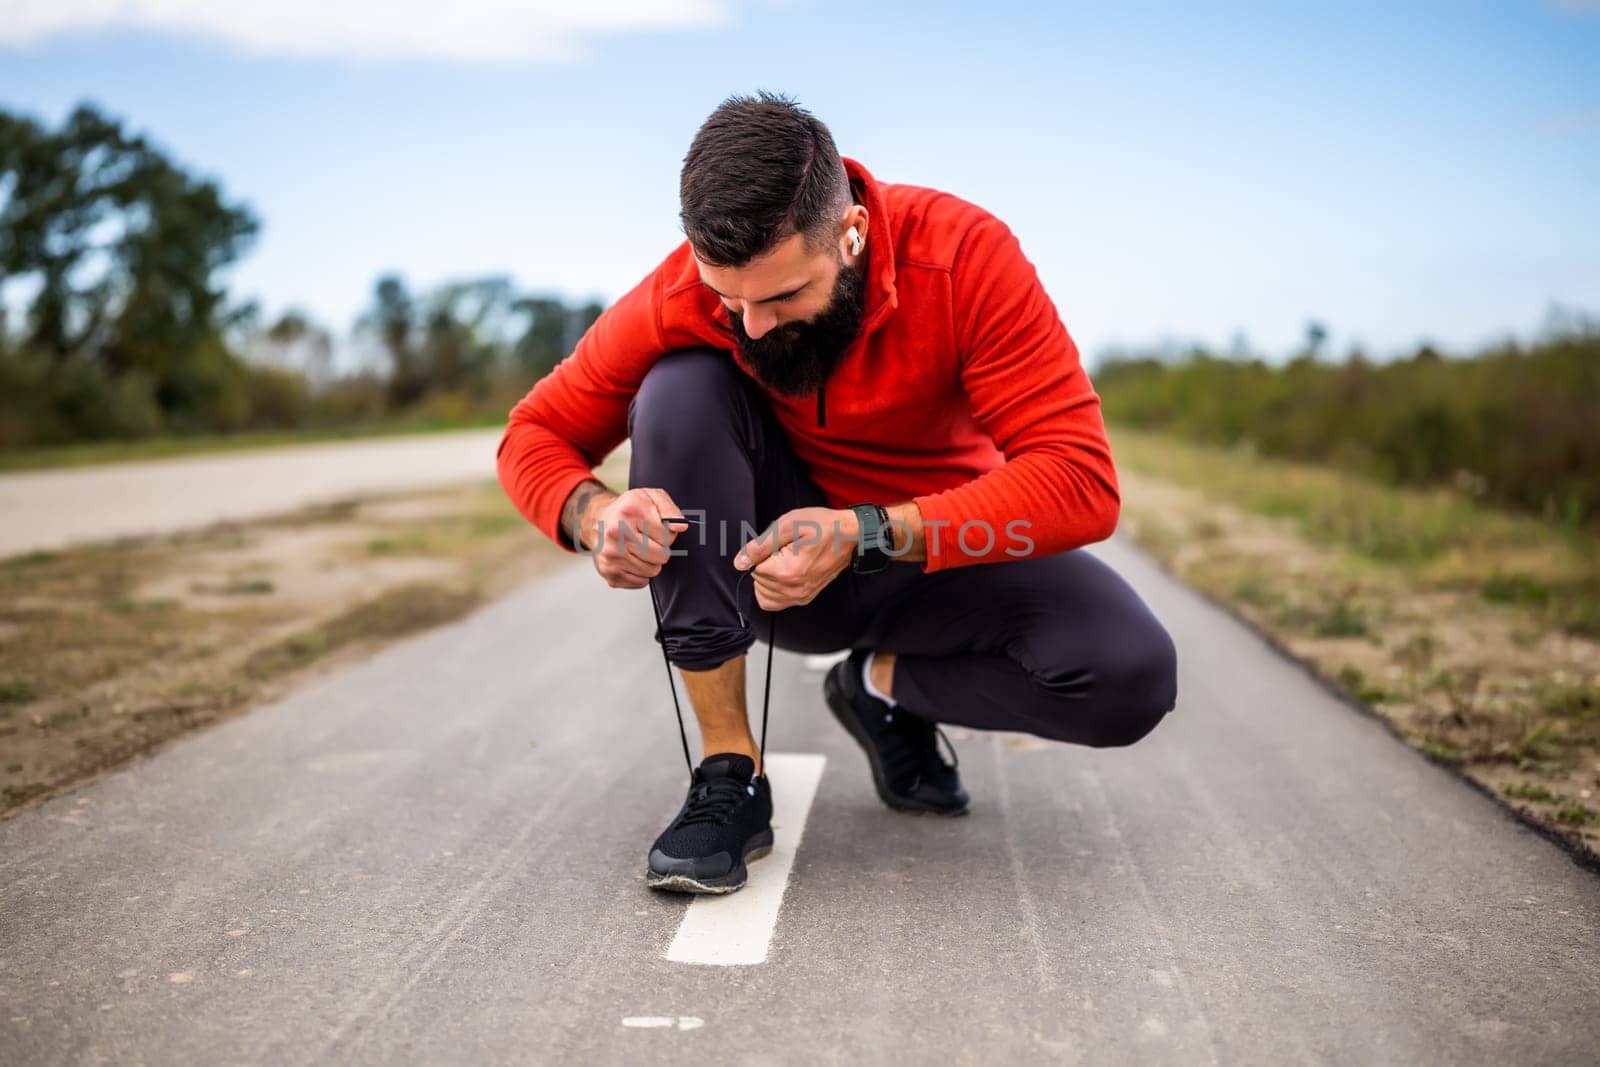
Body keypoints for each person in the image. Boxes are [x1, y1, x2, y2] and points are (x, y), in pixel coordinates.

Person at [496, 91, 1178, 895]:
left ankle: (877, 685)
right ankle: (729, 774)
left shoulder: (964, 256)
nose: (750, 325)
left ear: (851, 233)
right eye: (731, 300)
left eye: (782, 298)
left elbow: (1081, 479)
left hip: (938, 557)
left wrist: (866, 531)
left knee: (1130, 675)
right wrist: (597, 514)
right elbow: (533, 435)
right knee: (678, 387)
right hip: (780, 573)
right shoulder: (684, 293)